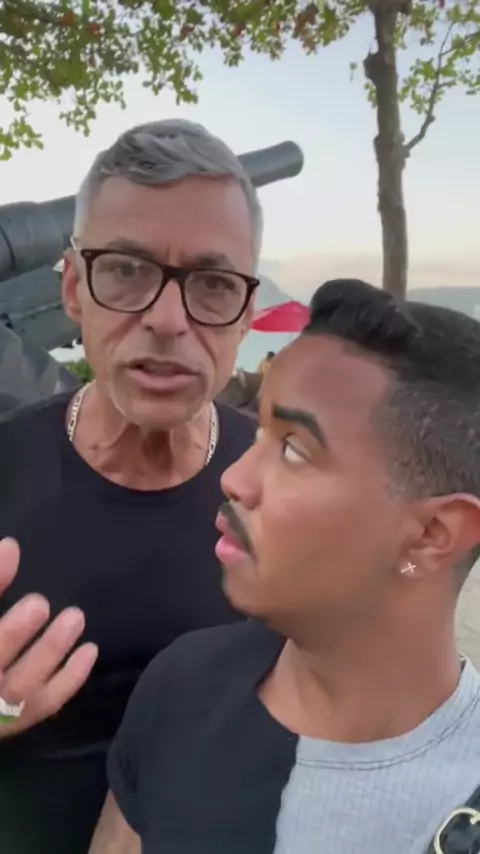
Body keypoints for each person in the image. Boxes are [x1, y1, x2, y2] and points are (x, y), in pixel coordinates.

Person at [94, 279, 480, 854]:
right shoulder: (183, 686)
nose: (234, 479)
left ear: (432, 535)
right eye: (259, 432)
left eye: (294, 450)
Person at [0, 119, 260, 853]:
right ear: (74, 289)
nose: (168, 320)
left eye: (213, 284)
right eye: (126, 270)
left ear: (246, 313)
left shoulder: (281, 486)